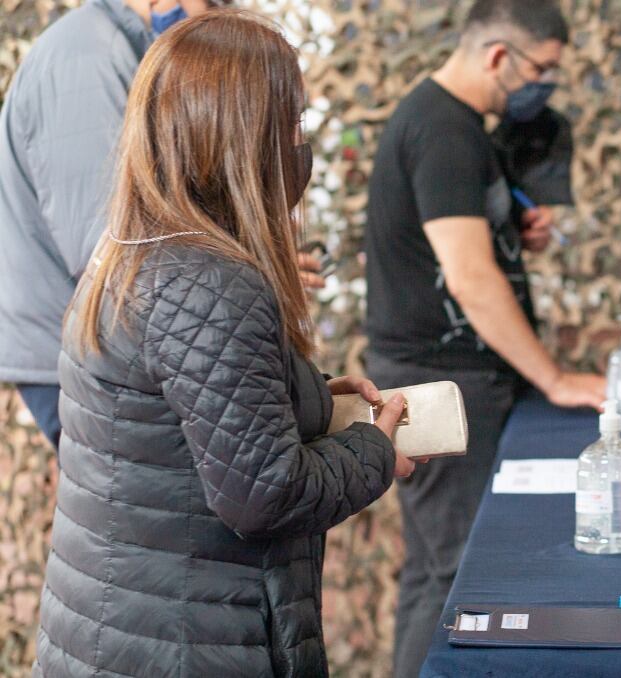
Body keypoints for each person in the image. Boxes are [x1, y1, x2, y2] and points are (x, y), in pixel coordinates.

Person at [34, 11, 417, 676]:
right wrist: (373, 446)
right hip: (185, 643)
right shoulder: (208, 283)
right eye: (293, 124)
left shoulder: (131, 249)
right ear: (246, 138)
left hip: (116, 632)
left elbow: (176, 424)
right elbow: (265, 494)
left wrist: (302, 397)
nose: (302, 144)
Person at [361, 1, 605, 674]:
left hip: (452, 375)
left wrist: (513, 231)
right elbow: (469, 278)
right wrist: (555, 378)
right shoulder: (443, 131)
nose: (545, 86)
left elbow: (466, 244)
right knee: (458, 578)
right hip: (441, 380)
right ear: (500, 56)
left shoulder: (460, 127)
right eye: (542, 70)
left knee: (437, 571)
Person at [0, 0, 220, 448]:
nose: (212, 24)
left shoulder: (119, 49)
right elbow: (109, 244)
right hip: (82, 350)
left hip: (98, 343)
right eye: (213, 6)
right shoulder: (87, 56)